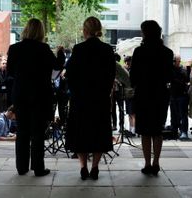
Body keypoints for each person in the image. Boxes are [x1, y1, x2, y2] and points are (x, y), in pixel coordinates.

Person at [7, 18, 65, 177]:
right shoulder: (43, 48)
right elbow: (57, 67)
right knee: (38, 132)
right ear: (40, 32)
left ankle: (21, 167)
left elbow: (10, 72)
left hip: (20, 94)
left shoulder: (14, 48)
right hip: (40, 95)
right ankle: (38, 168)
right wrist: (61, 53)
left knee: (22, 131)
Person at [65, 16, 116, 180]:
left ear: (84, 30)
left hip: (81, 98)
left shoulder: (78, 49)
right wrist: (106, 92)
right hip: (100, 98)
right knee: (99, 131)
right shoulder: (107, 49)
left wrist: (74, 92)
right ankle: (95, 166)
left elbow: (70, 74)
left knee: (81, 131)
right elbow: (111, 75)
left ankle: (83, 166)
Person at [130, 20, 173, 176]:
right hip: (160, 95)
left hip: (143, 95)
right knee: (157, 131)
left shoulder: (139, 52)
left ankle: (147, 163)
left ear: (145, 33)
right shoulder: (167, 52)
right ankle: (156, 163)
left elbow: (133, 78)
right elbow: (169, 76)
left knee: (145, 132)